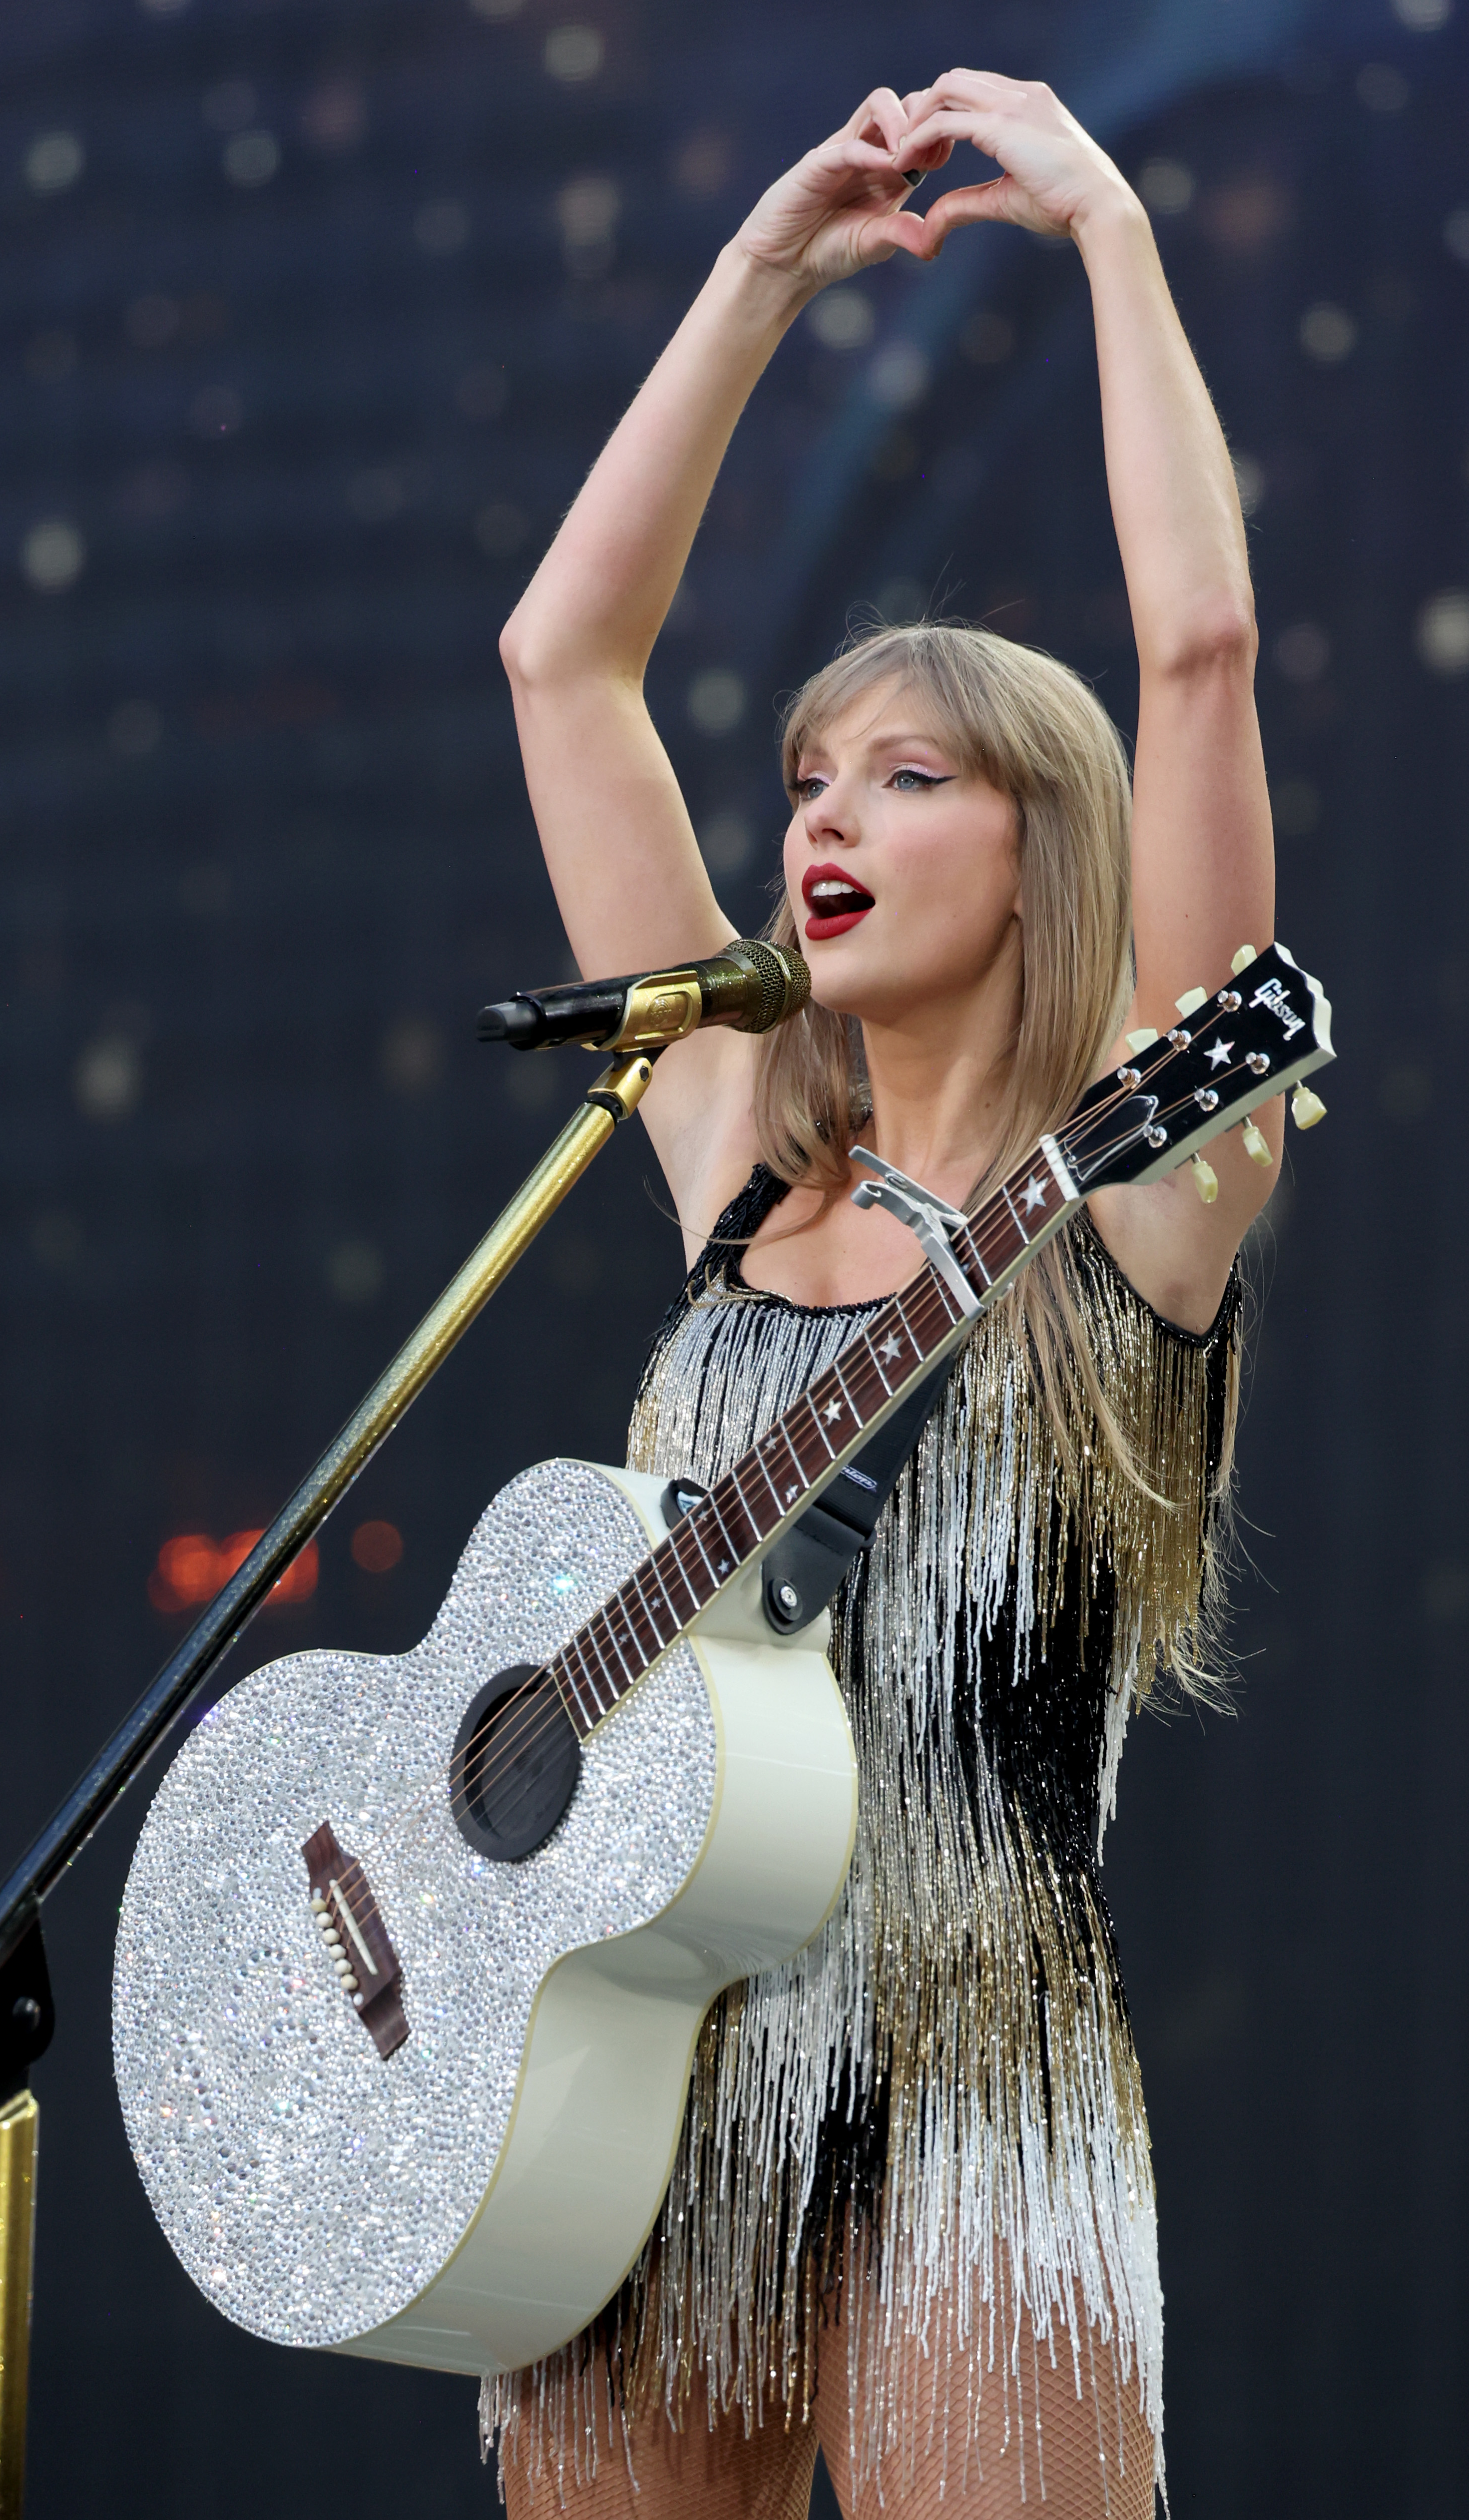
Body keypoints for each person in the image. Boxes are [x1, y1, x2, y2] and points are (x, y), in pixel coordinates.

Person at [486, 71, 1275, 2520]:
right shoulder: (735, 1157)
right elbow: (559, 662)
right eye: (809, 774)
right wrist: (751, 282)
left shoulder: (1144, 1189)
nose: (818, 814)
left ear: (1045, 852)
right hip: (650, 2054)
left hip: (971, 2045)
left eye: (905, 775)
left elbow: (1207, 649)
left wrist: (1110, 230)